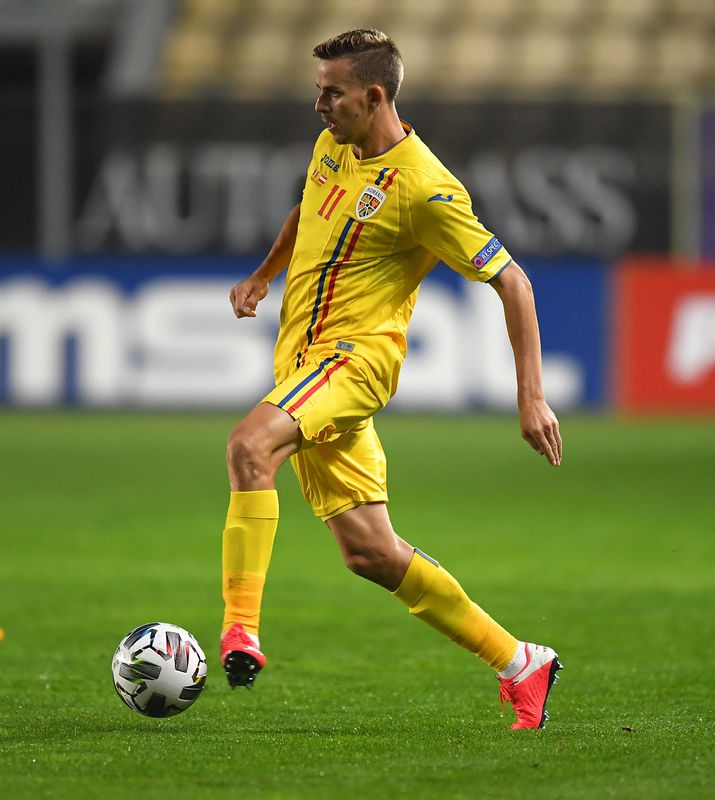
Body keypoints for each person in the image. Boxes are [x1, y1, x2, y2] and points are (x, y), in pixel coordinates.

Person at [220, 28, 564, 730]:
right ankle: (521, 661)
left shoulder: (425, 189)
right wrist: (264, 272)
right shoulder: (334, 147)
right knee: (370, 553)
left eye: (332, 93)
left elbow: (516, 284)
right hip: (304, 364)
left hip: (352, 363)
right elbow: (307, 212)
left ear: (374, 95)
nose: (319, 105)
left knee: (250, 447)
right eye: (318, 90)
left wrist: (531, 397)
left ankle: (239, 631)